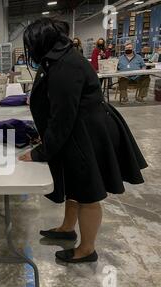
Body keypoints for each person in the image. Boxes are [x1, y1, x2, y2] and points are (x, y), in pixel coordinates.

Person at [20, 18, 147, 263]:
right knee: (74, 185)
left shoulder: (65, 65)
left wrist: (40, 151)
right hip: (79, 130)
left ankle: (87, 249)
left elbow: (63, 117)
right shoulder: (59, 58)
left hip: (87, 133)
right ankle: (67, 228)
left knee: (87, 192)